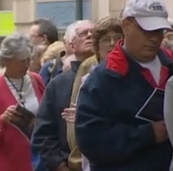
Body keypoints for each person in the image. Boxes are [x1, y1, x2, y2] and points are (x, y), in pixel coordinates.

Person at [75, 0, 173, 170]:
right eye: (146, 30)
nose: (154, 38)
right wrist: (147, 134)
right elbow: (90, 141)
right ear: (126, 26)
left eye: (159, 31)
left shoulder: (170, 66)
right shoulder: (101, 79)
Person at [31, 20, 94, 171]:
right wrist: (60, 166)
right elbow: (43, 134)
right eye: (83, 34)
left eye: (94, 33)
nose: (90, 36)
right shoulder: (57, 85)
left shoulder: (111, 78)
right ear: (71, 45)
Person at [0, 33, 44, 171]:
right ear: (8, 60)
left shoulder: (36, 80)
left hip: (38, 159)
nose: (27, 65)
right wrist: (2, 120)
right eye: (22, 61)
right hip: (8, 161)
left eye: (29, 59)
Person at [66, 16, 123, 171]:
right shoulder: (89, 73)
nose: (112, 43)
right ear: (97, 46)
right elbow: (75, 120)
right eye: (106, 39)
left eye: (118, 38)